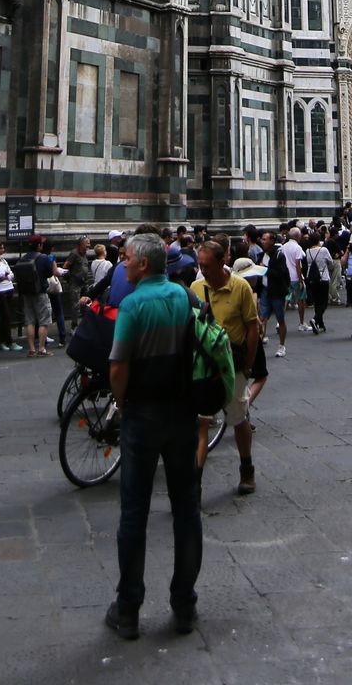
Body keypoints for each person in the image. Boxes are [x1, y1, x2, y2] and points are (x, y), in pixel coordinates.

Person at [104, 233, 201, 640]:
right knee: (186, 510)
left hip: (143, 416)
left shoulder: (131, 304)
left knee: (133, 513)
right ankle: (184, 604)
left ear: (144, 265)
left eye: (127, 259)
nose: (122, 263)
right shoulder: (184, 297)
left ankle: (128, 608)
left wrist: (122, 404)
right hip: (182, 413)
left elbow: (118, 365)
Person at [191, 241, 259, 495]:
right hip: (204, 365)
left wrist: (249, 364)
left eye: (206, 265)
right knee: (202, 422)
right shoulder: (196, 288)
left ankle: (246, 468)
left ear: (222, 262)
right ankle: (194, 482)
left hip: (233, 364)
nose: (203, 270)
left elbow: (252, 328)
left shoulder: (240, 287)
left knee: (238, 417)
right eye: (200, 265)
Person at [259, 230, 292, 356]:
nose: (262, 241)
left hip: (277, 292)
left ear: (272, 241)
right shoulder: (261, 255)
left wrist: (265, 269)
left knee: (280, 318)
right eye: (262, 239)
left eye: (265, 239)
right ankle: (259, 342)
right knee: (262, 318)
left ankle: (281, 345)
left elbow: (280, 274)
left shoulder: (278, 256)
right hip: (265, 290)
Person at [303, 232, 334, 334]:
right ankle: (315, 319)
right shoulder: (323, 250)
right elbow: (330, 263)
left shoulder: (308, 251)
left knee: (317, 301)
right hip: (323, 277)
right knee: (324, 302)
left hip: (311, 278)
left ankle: (320, 324)